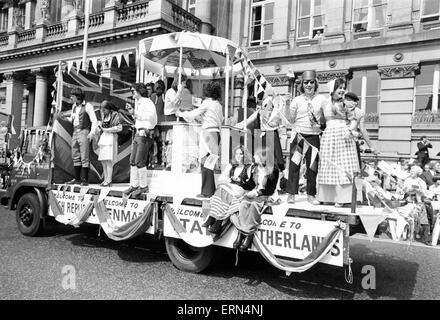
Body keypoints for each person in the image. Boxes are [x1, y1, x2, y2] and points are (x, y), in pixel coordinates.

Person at [317, 78, 360, 207]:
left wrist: (350, 130)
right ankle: (326, 196)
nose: (342, 90)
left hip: (343, 134)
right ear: (332, 89)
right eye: (339, 87)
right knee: (328, 164)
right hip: (329, 134)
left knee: (344, 165)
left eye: (343, 87)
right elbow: (320, 121)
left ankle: (342, 198)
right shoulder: (324, 103)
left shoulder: (346, 104)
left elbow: (354, 120)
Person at [177, 81, 224, 198]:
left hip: (208, 133)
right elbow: (219, 120)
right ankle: (210, 190)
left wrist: (181, 113)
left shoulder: (207, 102)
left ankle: (207, 192)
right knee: (210, 163)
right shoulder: (218, 104)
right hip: (216, 133)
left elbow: (194, 113)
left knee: (205, 162)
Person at [286, 70, 327, 204]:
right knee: (294, 165)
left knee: (312, 167)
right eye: (306, 83)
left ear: (315, 83)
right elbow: (290, 120)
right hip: (298, 136)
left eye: (311, 82)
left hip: (314, 137)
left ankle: (311, 195)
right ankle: (291, 194)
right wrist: (287, 105)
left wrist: (320, 125)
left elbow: (326, 117)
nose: (308, 85)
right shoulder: (296, 100)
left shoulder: (322, 99)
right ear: (302, 85)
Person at [230, 150, 279, 251]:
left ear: (263, 158)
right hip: (255, 192)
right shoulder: (255, 168)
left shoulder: (273, 170)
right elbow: (252, 184)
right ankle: (241, 233)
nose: (254, 156)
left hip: (266, 194)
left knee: (253, 206)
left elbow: (270, 189)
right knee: (243, 204)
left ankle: (249, 235)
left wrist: (256, 193)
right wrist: (241, 182)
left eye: (256, 155)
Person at [202, 146, 255, 234]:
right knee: (220, 191)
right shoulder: (231, 165)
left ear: (244, 155)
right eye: (237, 154)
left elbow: (250, 183)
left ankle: (217, 220)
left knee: (224, 192)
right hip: (230, 186)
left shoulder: (249, 166)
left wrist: (240, 181)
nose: (238, 156)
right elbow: (222, 178)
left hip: (241, 188)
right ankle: (213, 218)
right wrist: (230, 180)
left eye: (241, 154)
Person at [123, 83, 158, 198]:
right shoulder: (140, 103)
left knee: (139, 161)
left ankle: (143, 186)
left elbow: (153, 118)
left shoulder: (147, 102)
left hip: (144, 133)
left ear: (138, 91)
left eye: (133, 91)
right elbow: (141, 117)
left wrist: (135, 113)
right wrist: (134, 113)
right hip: (139, 133)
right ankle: (134, 185)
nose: (132, 93)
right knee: (133, 160)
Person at [64, 87, 98, 186]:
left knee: (84, 156)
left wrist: (91, 133)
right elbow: (73, 119)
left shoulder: (88, 106)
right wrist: (64, 118)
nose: (71, 97)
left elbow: (94, 121)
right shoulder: (74, 106)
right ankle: (77, 179)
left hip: (84, 131)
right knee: (75, 155)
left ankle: (85, 180)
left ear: (78, 96)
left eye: (72, 96)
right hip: (75, 132)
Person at [343, 91, 377, 168]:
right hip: (347, 141)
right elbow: (363, 130)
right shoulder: (340, 108)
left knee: (353, 167)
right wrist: (372, 147)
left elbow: (362, 130)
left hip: (351, 142)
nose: (355, 104)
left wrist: (371, 146)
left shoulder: (359, 112)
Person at [96, 101, 122, 187]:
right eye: (102, 110)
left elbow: (119, 127)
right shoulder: (104, 116)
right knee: (103, 160)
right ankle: (105, 179)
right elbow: (102, 128)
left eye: (104, 110)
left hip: (111, 138)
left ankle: (109, 179)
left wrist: (107, 130)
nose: (102, 112)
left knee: (108, 160)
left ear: (108, 109)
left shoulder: (115, 115)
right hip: (104, 139)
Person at [150, 80, 166, 166]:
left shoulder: (165, 96)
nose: (156, 89)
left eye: (158, 88)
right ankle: (153, 159)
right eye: (156, 88)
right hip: (154, 122)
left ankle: (162, 159)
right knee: (154, 141)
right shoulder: (152, 96)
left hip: (163, 123)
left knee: (162, 141)